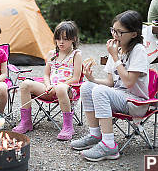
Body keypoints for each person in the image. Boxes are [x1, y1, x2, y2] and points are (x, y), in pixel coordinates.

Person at [70, 10, 149, 161]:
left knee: (100, 91)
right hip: (119, 96)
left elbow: (128, 82)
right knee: (86, 86)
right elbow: (110, 83)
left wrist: (114, 57)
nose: (115, 35)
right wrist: (91, 78)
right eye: (113, 30)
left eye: (120, 32)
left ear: (133, 34)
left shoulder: (138, 51)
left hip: (136, 102)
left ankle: (109, 145)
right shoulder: (117, 49)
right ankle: (95, 134)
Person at [12, 21, 83, 140]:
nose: (61, 42)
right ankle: (26, 122)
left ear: (73, 39)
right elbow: (46, 74)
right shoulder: (52, 54)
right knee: (25, 84)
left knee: (60, 88)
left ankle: (68, 127)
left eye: (65, 39)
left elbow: (76, 78)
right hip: (49, 89)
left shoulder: (76, 54)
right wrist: (48, 85)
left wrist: (58, 86)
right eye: (58, 38)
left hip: (67, 90)